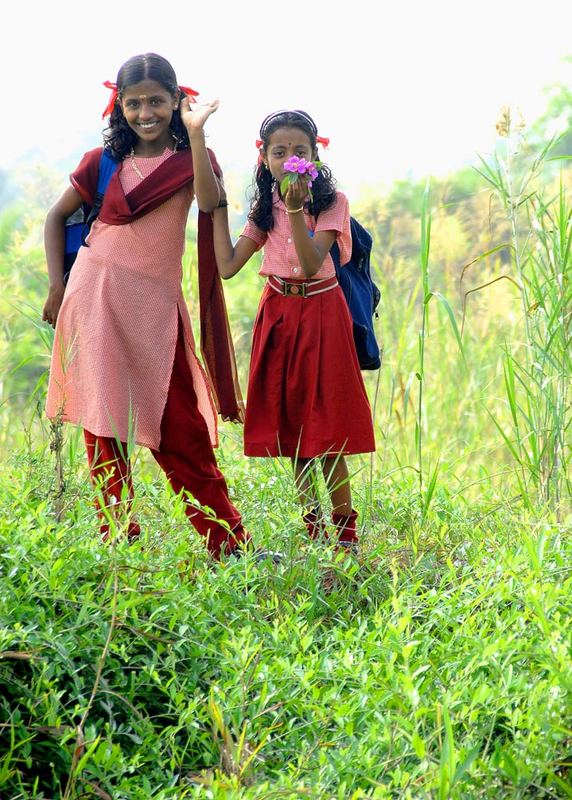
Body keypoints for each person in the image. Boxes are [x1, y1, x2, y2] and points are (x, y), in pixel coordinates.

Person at [42, 53, 249, 560]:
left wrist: (195, 135)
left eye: (156, 101)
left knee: (180, 427)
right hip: (94, 298)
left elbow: (207, 201)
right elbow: (56, 218)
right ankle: (120, 549)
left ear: (177, 101)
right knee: (103, 423)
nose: (145, 113)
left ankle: (228, 544)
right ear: (121, 106)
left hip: (154, 309)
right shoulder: (102, 161)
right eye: (133, 103)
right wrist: (55, 286)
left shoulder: (192, 159)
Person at [212, 109, 375, 550]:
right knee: (296, 436)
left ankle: (346, 541)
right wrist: (217, 208)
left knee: (329, 435)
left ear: (315, 156)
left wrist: (298, 208)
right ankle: (314, 534)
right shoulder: (265, 210)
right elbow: (227, 267)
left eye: (299, 151)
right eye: (278, 152)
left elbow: (308, 264)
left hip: (322, 313)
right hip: (278, 315)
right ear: (263, 158)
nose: (289, 160)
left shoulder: (331, 203)